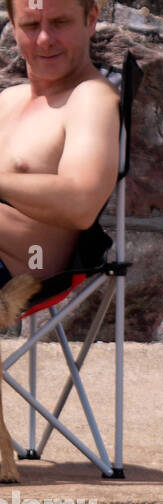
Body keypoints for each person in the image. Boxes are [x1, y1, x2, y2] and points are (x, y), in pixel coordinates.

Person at [0, 0, 119, 288]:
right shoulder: (6, 100)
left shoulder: (90, 99)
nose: (45, 40)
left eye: (60, 23)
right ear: (13, 27)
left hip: (12, 274)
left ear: (90, 19)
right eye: (30, 25)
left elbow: (81, 203)